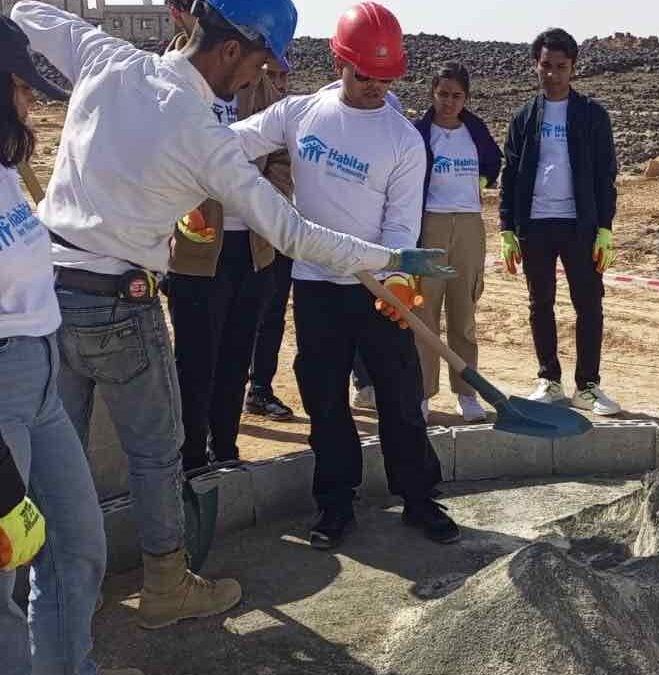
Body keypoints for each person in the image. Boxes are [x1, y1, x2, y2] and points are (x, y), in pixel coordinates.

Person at [12, 0, 451, 630]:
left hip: (49, 300)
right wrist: (394, 256)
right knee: (157, 455)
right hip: (119, 305)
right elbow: (292, 232)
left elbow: (29, 12)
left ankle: (39, 603)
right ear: (229, 51)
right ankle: (166, 585)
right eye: (258, 63)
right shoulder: (208, 138)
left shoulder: (108, 60)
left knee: (54, 463)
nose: (256, 78)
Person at [229, 1, 459, 549]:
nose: (374, 86)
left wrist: (401, 279)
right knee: (325, 398)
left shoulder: (403, 139)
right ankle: (335, 504)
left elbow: (402, 223)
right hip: (316, 288)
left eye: (385, 78)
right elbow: (230, 144)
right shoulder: (300, 114)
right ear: (340, 61)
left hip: (378, 288)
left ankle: (420, 498)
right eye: (364, 75)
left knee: (401, 398)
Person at [0, 17, 140, 674]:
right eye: (21, 88)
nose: (31, 102)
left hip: (41, 372)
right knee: (4, 583)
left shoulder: (5, 168)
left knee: (77, 546)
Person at [162, 0, 294, 472]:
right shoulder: (169, 80)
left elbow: (282, 160)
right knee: (196, 361)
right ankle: (193, 456)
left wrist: (258, 197)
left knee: (237, 356)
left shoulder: (259, 88)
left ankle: (227, 448)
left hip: (252, 249)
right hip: (197, 253)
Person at [498, 28, 621, 415]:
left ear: (573, 69)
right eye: (546, 65)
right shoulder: (524, 117)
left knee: (589, 304)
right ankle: (549, 380)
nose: (552, 74)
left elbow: (606, 175)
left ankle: (587, 386)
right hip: (535, 224)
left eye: (561, 67)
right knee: (541, 304)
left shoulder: (591, 115)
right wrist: (506, 228)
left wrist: (605, 227)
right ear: (536, 65)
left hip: (579, 225)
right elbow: (511, 174)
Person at [410, 62, 501, 423]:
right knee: (424, 312)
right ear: (433, 93)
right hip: (429, 223)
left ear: (466, 97)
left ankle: (467, 393)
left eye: (457, 96)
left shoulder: (474, 129)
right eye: (443, 94)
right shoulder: (418, 132)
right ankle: (422, 393)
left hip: (467, 225)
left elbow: (493, 161)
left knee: (463, 313)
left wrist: (480, 183)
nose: (449, 102)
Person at [244, 61, 300, 423]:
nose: (278, 83)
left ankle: (260, 388)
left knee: (272, 315)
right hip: (237, 233)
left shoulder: (292, 118)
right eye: (271, 75)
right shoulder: (238, 110)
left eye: (283, 76)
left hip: (279, 232)